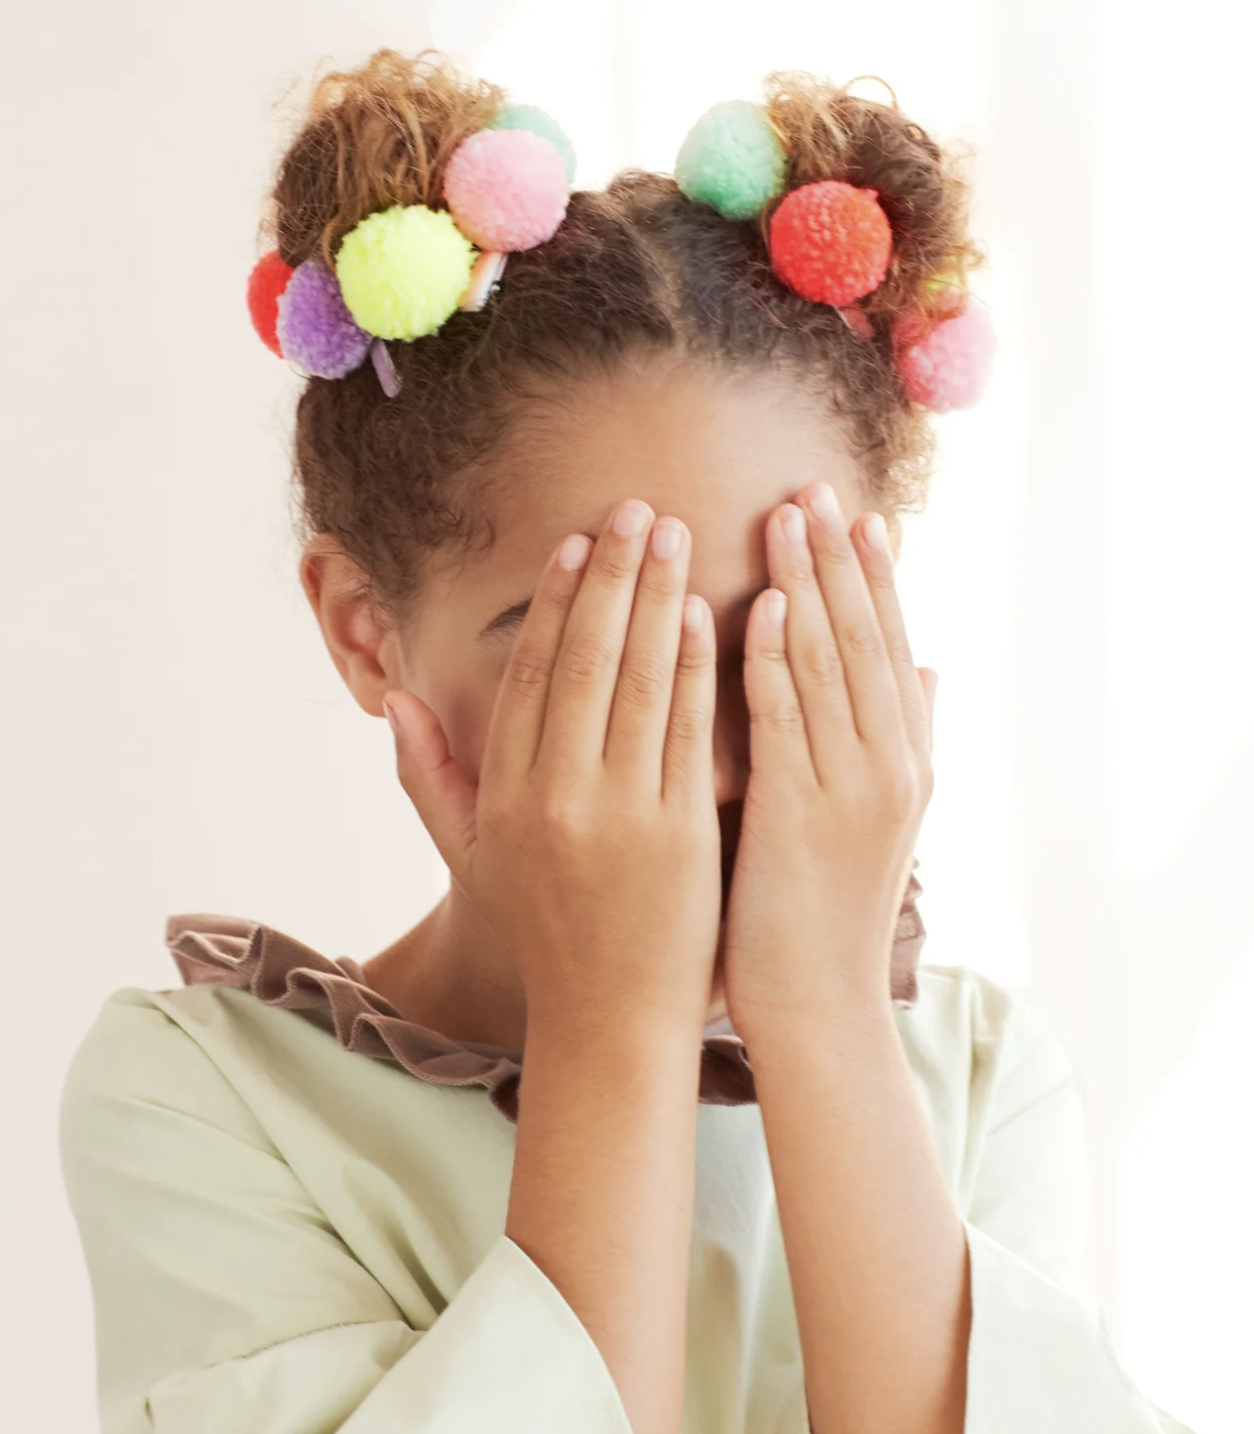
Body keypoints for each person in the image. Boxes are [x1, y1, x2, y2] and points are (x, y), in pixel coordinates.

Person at [59, 45, 1195, 1434]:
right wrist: (613, 1025)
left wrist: (827, 1017)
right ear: (367, 628)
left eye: (785, 639)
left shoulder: (972, 1075)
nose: (714, 763)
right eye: (604, 652)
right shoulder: (208, 1099)